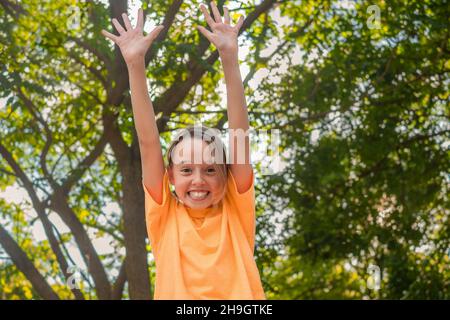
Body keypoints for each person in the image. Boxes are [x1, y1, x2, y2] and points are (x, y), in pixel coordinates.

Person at [102, 2, 265, 300]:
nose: (198, 179)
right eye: (186, 170)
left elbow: (240, 135)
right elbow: (148, 142)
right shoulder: (165, 215)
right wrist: (135, 64)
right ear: (171, 177)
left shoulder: (235, 209)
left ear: (227, 175)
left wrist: (229, 58)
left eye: (211, 169)